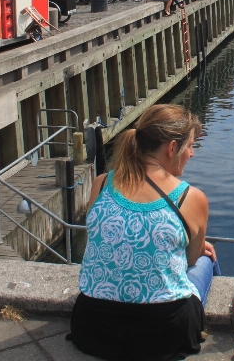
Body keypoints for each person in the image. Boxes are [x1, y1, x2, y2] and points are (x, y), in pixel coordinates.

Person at [69, 104, 218, 361]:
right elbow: (190, 261)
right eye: (190, 146)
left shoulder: (102, 183)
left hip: (93, 329)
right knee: (206, 259)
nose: (192, 154)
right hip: (165, 336)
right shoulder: (190, 198)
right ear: (172, 148)